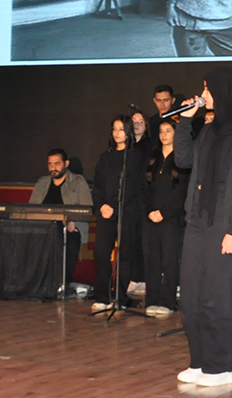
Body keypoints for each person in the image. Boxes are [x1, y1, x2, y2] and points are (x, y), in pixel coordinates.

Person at [172, 67, 232, 388]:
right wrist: (185, 121)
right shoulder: (208, 130)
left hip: (224, 224)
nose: (202, 94)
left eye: (208, 89)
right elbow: (182, 160)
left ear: (225, 92)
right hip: (197, 221)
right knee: (191, 296)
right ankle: (199, 361)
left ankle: (220, 366)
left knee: (217, 297)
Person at [90, 115, 146, 312]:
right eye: (114, 129)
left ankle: (120, 297)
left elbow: (138, 186)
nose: (117, 133)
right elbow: (97, 186)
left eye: (121, 129)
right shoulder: (105, 158)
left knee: (125, 257)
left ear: (128, 132)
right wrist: (102, 205)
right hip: (107, 212)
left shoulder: (137, 157)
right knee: (101, 253)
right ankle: (102, 296)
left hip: (128, 212)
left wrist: (119, 204)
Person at [139, 119, 189, 319]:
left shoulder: (183, 160)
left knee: (169, 261)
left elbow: (182, 193)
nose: (164, 135)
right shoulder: (152, 158)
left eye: (168, 131)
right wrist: (149, 210)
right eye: (161, 131)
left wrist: (164, 213)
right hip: (151, 217)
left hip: (171, 219)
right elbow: (142, 188)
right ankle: (152, 299)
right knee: (151, 260)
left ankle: (168, 301)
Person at [29, 148, 93, 285]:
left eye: (57, 164)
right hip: (44, 228)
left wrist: (72, 221)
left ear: (66, 164)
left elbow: (86, 209)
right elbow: (32, 209)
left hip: (68, 227)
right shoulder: (42, 183)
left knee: (71, 238)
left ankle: (63, 282)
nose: (53, 168)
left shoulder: (78, 182)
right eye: (50, 164)